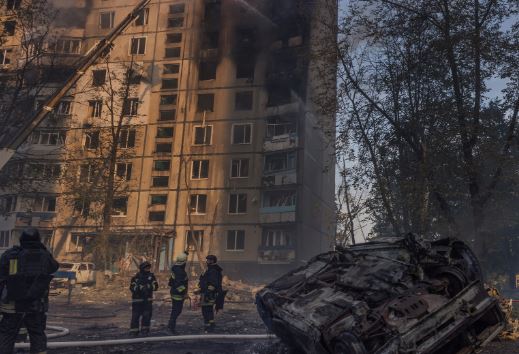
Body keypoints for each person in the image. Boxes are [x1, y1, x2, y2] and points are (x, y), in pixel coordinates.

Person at [0, 228, 59, 354]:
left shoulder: (10, 254)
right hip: (36, 304)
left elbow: (1, 275)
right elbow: (54, 266)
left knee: (6, 336)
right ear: (38, 240)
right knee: (37, 335)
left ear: (21, 240)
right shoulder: (44, 255)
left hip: (12, 306)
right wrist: (42, 248)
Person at [129, 261, 158, 336]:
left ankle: (145, 331)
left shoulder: (151, 277)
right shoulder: (136, 277)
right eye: (146, 268)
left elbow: (156, 287)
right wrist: (139, 288)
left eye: (148, 268)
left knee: (146, 316)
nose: (147, 269)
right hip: (137, 301)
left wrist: (148, 287)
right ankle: (134, 331)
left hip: (147, 301)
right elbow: (132, 288)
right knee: (135, 317)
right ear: (142, 268)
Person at [198, 254, 223, 333]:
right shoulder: (210, 269)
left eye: (208, 260)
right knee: (207, 309)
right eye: (207, 260)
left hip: (209, 294)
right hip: (206, 292)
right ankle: (210, 325)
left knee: (206, 310)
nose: (207, 261)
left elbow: (213, 284)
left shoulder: (213, 271)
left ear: (212, 261)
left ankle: (209, 327)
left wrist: (207, 293)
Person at [167, 252, 189, 333]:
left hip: (174, 292)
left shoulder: (175, 269)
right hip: (178, 294)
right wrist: (184, 293)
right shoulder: (180, 272)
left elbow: (171, 282)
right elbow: (179, 284)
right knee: (177, 310)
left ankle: (170, 325)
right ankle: (171, 327)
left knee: (175, 310)